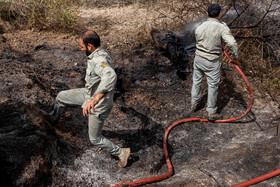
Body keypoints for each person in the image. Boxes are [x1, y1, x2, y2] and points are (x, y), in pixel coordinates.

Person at [48, 30, 130, 168]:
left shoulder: (99, 59)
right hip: (88, 95)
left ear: (90, 46)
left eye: (82, 46)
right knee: (61, 96)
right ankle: (52, 119)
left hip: (98, 105)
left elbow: (111, 76)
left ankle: (121, 153)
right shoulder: (97, 54)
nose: (81, 49)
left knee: (95, 138)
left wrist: (94, 100)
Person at [191, 4, 238, 120]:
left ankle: (194, 104)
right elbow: (232, 43)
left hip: (198, 58)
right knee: (212, 86)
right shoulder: (222, 27)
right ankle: (211, 112)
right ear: (219, 14)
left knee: (196, 81)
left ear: (207, 13)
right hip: (212, 61)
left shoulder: (200, 26)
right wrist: (234, 57)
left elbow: (198, 39)